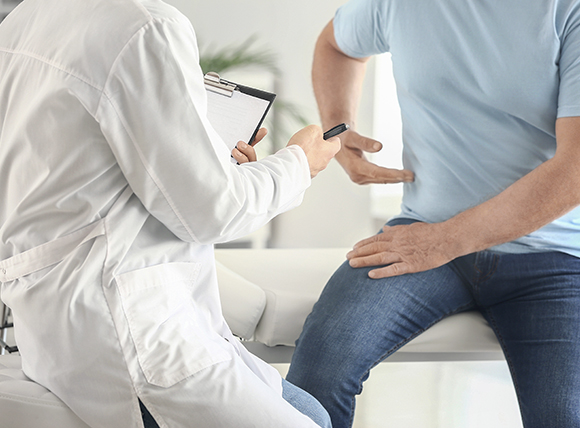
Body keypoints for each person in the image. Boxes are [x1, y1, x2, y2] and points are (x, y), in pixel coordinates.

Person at [285, 0, 580, 427]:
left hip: (556, 256)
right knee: (315, 379)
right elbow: (336, 45)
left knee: (563, 418)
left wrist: (444, 240)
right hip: (423, 233)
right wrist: (339, 131)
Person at [0, 0, 340, 427]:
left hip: (50, 326)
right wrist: (298, 162)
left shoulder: (24, 20)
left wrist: (210, 155)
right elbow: (215, 210)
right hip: (131, 333)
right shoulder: (146, 27)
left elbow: (82, 172)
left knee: (311, 412)